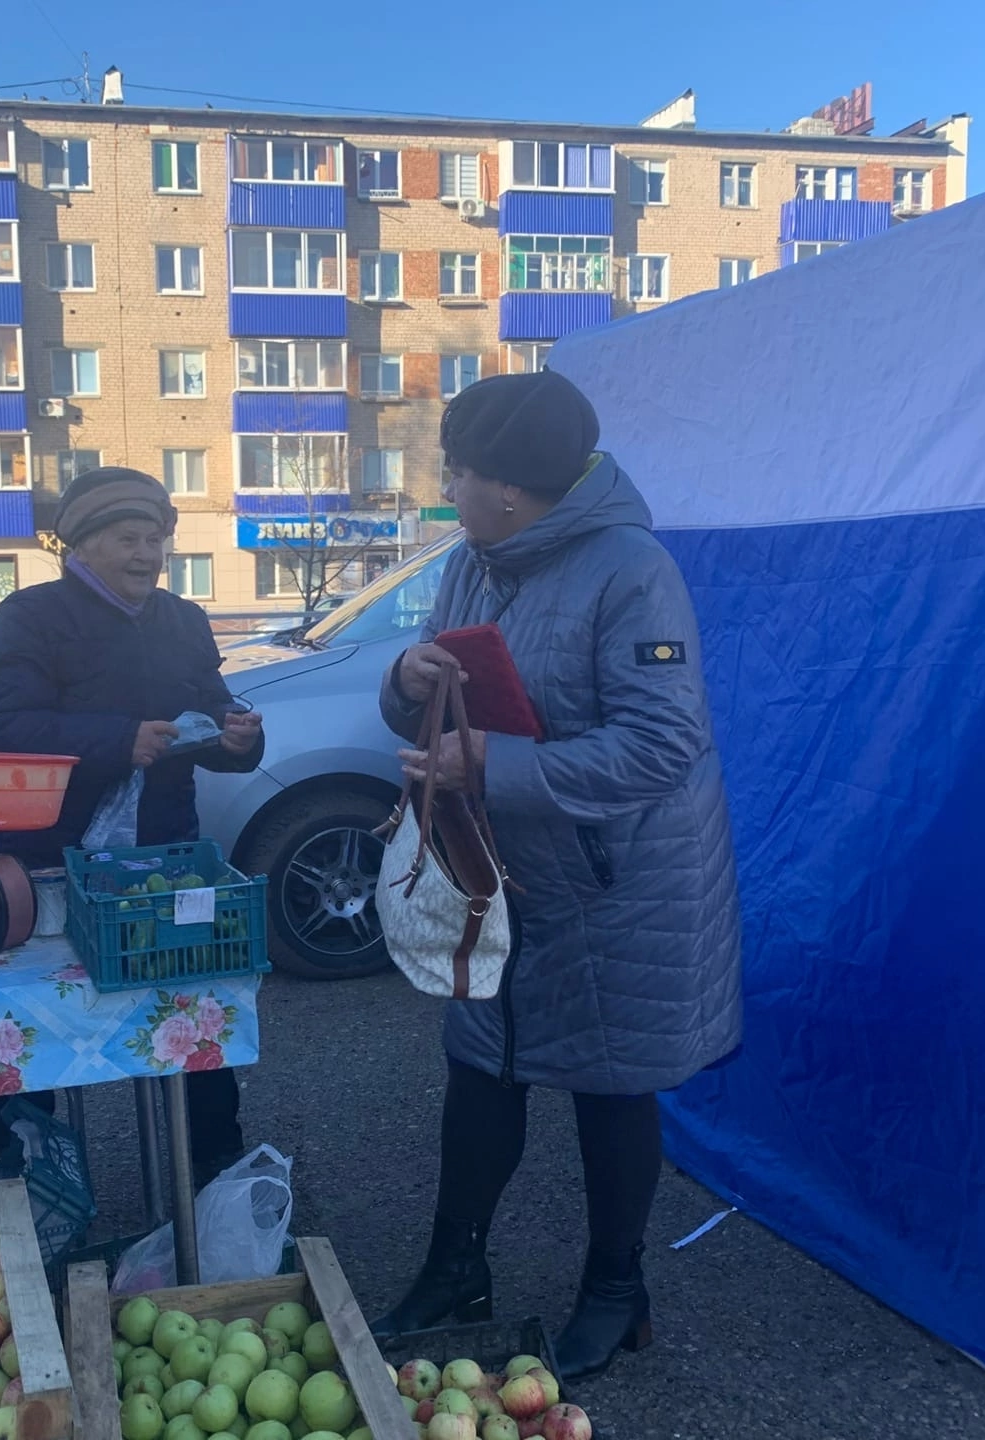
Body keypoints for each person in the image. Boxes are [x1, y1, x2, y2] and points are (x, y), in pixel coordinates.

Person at [369, 370, 742, 1383]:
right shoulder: (478, 559)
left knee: (608, 1084)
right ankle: (456, 1269)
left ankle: (617, 1292)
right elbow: (448, 679)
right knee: (480, 1063)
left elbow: (666, 744)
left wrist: (490, 762)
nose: (449, 481)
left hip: (617, 881)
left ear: (511, 484)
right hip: (499, 871)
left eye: (461, 467)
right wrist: (408, 681)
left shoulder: (631, 568)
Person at [0, 466, 265, 1182]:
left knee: (190, 1009)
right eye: (128, 538)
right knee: (26, 1025)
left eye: (155, 538)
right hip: (43, 861)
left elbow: (216, 718)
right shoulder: (33, 615)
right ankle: (19, 1173)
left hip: (164, 864)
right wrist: (115, 739)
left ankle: (214, 1171)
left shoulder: (184, 621)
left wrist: (240, 738)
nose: (146, 554)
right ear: (84, 545)